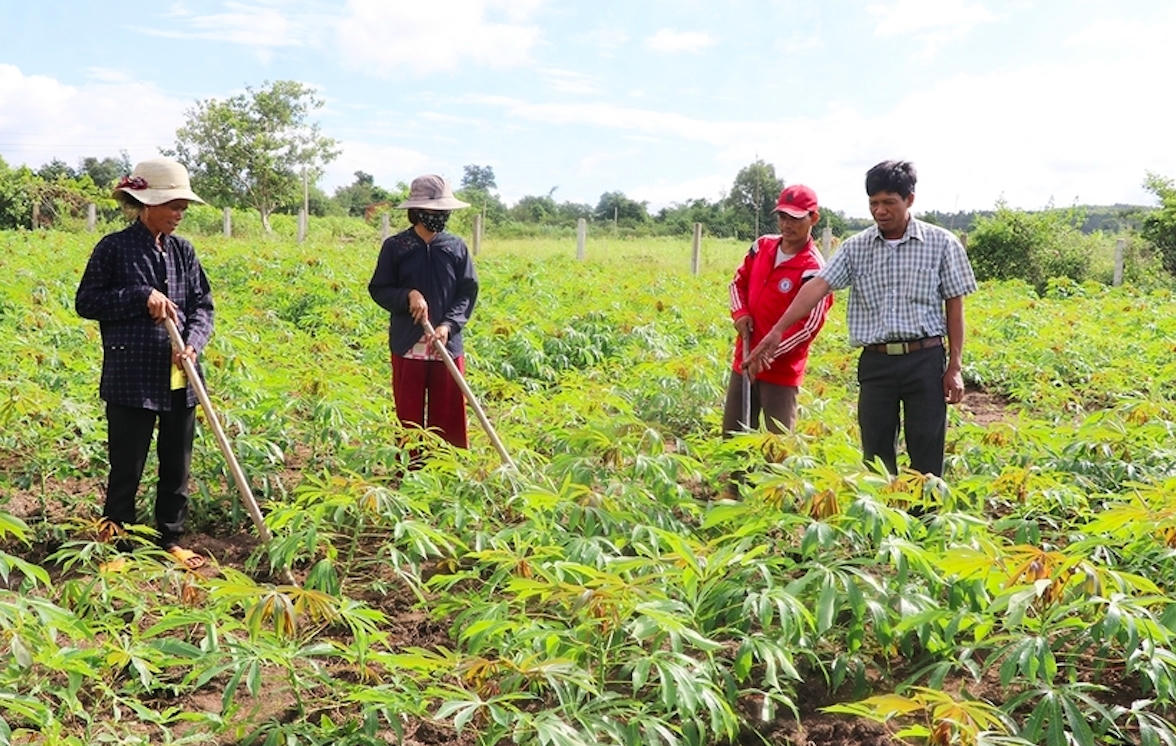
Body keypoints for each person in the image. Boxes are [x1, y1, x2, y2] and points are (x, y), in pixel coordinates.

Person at [746, 161, 977, 477]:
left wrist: (955, 367)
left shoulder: (942, 243)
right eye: (874, 203)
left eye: (889, 202)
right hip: (876, 363)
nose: (880, 211)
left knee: (926, 449)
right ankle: (881, 508)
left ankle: (924, 508)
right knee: (876, 454)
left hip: (925, 359)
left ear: (909, 199)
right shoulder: (856, 247)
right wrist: (777, 331)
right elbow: (818, 285)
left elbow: (955, 306)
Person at [75, 157, 215, 568]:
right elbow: (87, 302)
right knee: (127, 466)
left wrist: (192, 344)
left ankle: (170, 539)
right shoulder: (114, 248)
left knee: (177, 464)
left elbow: (202, 306)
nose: (179, 214)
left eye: (183, 208)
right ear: (147, 204)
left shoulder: (183, 251)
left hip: (179, 374)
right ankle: (116, 545)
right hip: (131, 376)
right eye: (173, 206)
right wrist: (140, 296)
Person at [368, 174, 478, 450]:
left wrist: (448, 325)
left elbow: (467, 292)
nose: (441, 216)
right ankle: (410, 467)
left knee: (449, 412)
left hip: (445, 343)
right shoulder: (396, 247)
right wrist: (408, 295)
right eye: (434, 211)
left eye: (444, 211)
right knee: (409, 416)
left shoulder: (456, 247)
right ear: (417, 211)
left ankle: (447, 466)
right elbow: (380, 288)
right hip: (409, 343)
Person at [723, 184, 832, 434]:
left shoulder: (815, 269)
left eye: (795, 218)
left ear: (814, 218)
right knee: (733, 437)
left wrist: (767, 354)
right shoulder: (761, 247)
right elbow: (737, 283)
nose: (787, 225)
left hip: (781, 370)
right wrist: (740, 313)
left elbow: (809, 326)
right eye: (783, 217)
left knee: (777, 444)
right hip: (744, 357)